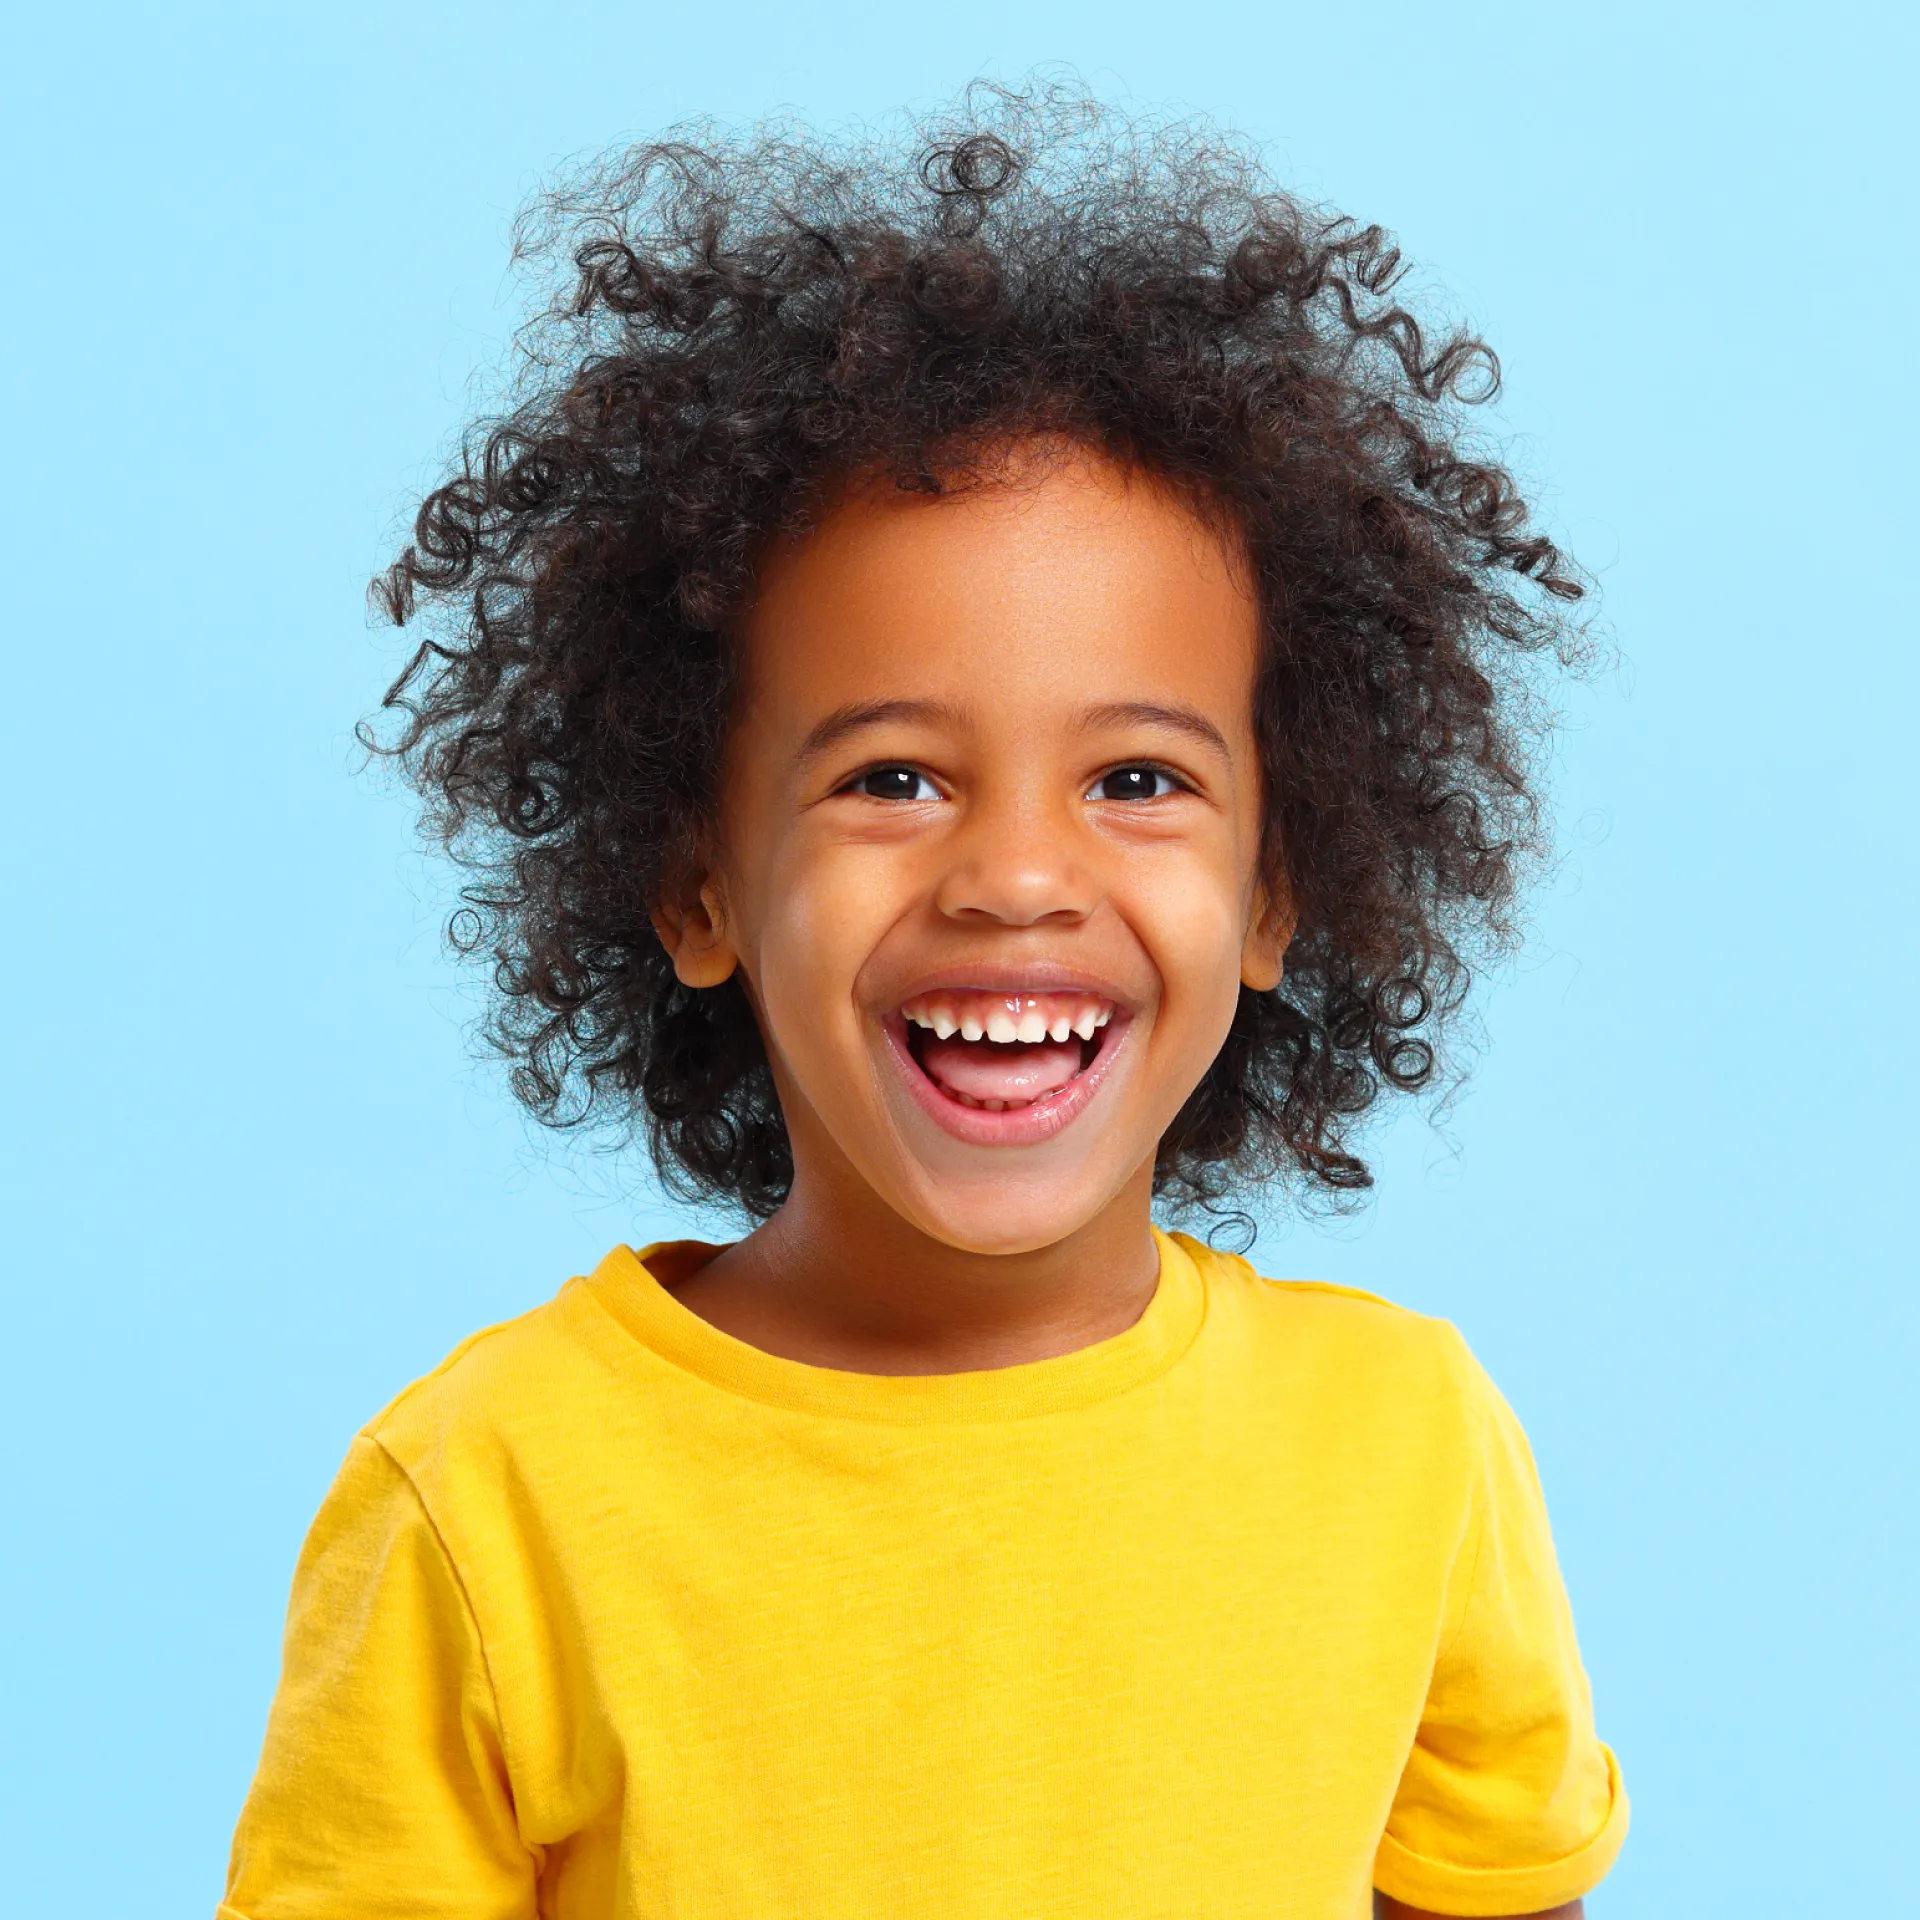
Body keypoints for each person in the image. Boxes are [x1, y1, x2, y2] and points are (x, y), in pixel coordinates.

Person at [220, 86, 1626, 1920]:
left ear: (1281, 892)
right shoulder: (490, 1495)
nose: (1016, 876)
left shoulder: (1409, 1443)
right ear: (699, 885)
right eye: (890, 779)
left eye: (1137, 780)